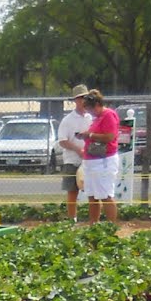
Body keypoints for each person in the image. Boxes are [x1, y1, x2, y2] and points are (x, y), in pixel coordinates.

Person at [81, 89, 121, 223]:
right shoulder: (97, 118)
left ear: (98, 104)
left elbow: (110, 136)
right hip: (91, 161)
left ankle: (111, 226)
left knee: (105, 195)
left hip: (104, 161)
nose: (90, 112)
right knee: (92, 196)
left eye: (90, 109)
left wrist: (90, 135)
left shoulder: (109, 115)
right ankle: (93, 225)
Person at [57, 84, 91, 221]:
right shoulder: (68, 120)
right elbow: (62, 141)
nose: (83, 100)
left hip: (90, 160)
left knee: (93, 191)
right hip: (72, 160)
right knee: (72, 190)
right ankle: (72, 219)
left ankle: (93, 220)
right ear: (75, 100)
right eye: (80, 98)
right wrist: (78, 150)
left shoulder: (91, 117)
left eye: (85, 97)